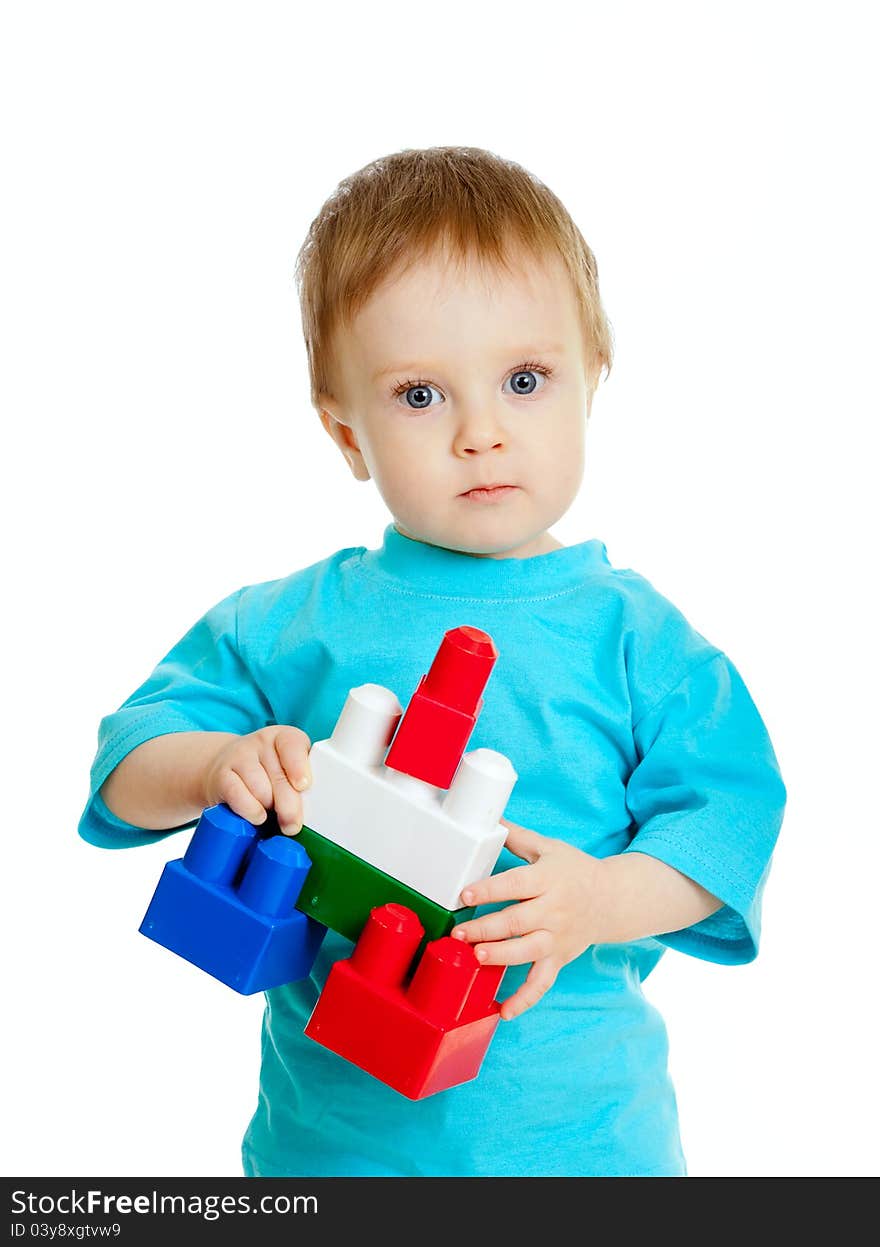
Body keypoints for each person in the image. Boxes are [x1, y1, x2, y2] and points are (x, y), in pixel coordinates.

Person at [78, 145, 787, 1177]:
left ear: (592, 381)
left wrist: (600, 900)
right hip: (330, 1153)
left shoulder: (644, 643)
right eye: (420, 396)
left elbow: (730, 821)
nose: (481, 434)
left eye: (525, 380)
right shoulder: (292, 620)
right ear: (346, 432)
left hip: (588, 1149)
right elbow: (126, 763)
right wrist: (212, 764)